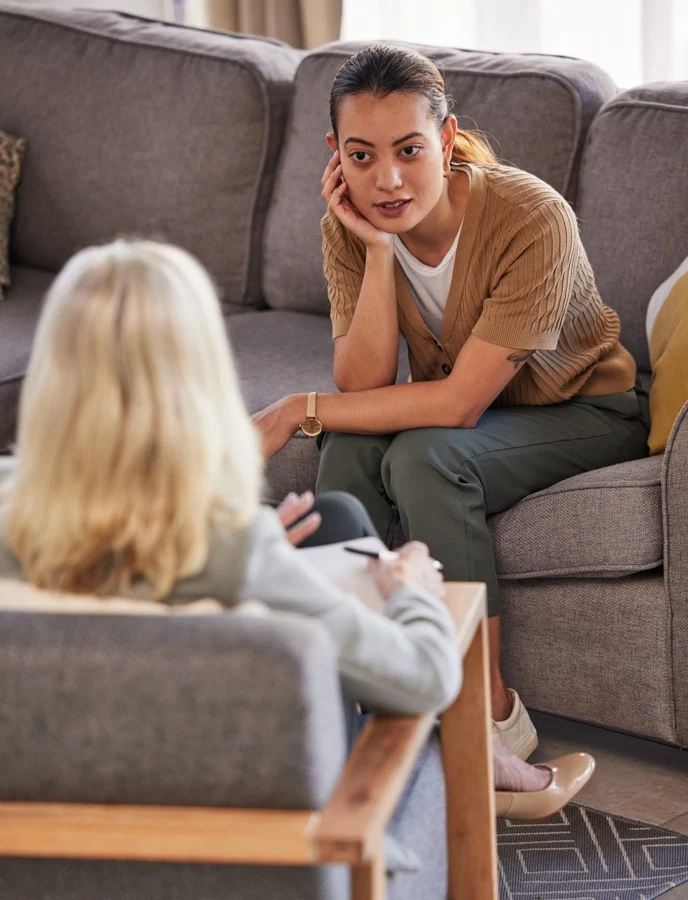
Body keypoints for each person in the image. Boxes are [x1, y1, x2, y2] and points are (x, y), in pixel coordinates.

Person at [0, 239, 593, 825]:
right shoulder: (229, 551)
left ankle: (486, 757)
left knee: (332, 522)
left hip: (39, 792)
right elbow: (426, 679)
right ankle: (483, 759)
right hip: (231, 807)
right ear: (197, 375)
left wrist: (261, 552)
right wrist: (409, 590)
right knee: (366, 572)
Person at [251, 44, 650, 760]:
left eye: (409, 149)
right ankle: (370, 693)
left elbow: (461, 405)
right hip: (476, 413)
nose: (389, 179)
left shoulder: (532, 218)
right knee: (347, 442)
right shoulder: (350, 226)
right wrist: (376, 252)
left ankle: (489, 715)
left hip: (586, 411)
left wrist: (290, 410)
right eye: (362, 156)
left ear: (444, 136)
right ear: (334, 153)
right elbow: (365, 388)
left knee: (428, 457)